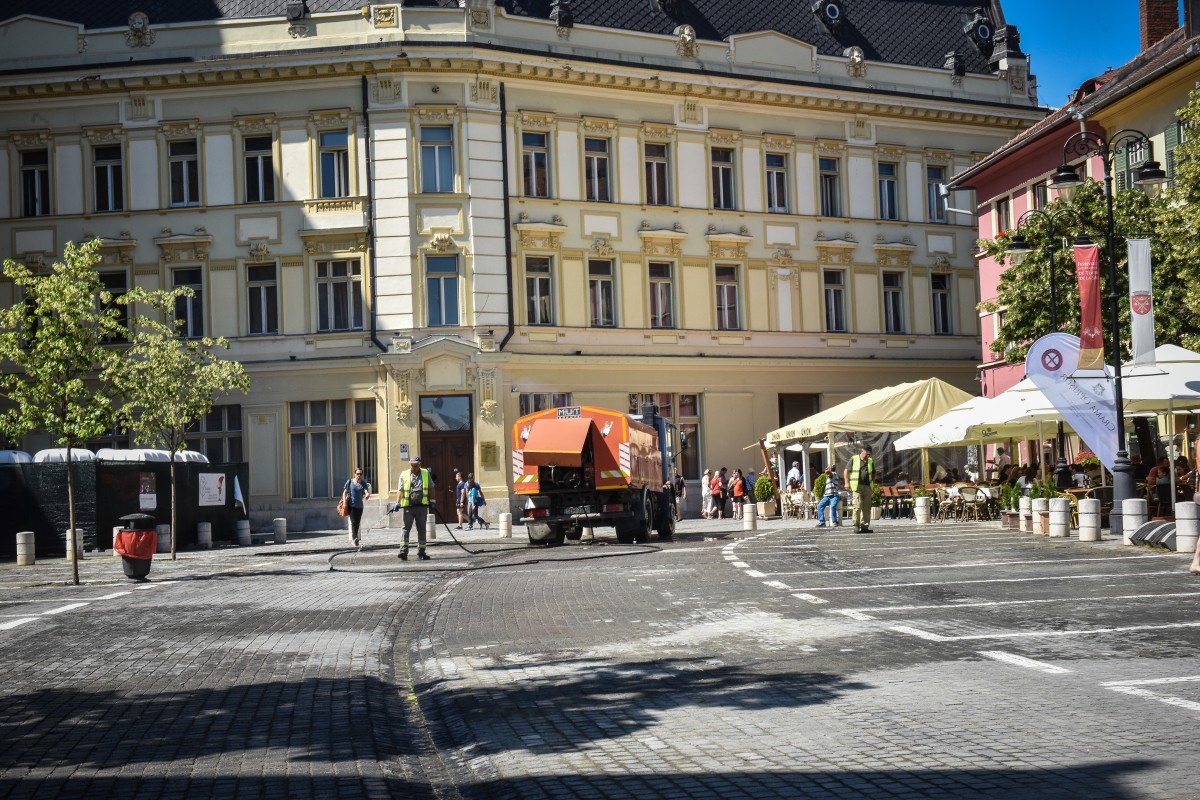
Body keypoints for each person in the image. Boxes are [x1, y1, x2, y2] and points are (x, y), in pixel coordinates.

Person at [397, 455, 433, 561]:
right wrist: (397, 503)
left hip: (421, 507)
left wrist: (433, 501)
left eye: (416, 465)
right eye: (412, 465)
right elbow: (400, 489)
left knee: (421, 529)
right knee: (405, 529)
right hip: (408, 507)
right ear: (410, 464)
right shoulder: (404, 474)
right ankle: (403, 551)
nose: (414, 467)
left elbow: (432, 488)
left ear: (419, 465)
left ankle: (421, 552)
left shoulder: (425, 473)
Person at [844, 446, 875, 533]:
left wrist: (872, 482)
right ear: (862, 451)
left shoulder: (870, 461)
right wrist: (846, 483)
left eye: (869, 453)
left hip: (867, 486)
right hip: (857, 486)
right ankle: (856, 526)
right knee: (857, 506)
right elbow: (846, 471)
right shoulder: (854, 459)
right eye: (867, 453)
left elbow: (873, 473)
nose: (868, 455)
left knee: (867, 507)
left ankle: (865, 526)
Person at [341, 467, 371, 547]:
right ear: (355, 474)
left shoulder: (363, 483)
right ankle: (355, 539)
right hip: (351, 505)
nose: (359, 475)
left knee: (357, 523)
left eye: (361, 474)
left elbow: (366, 492)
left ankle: (355, 538)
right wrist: (344, 503)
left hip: (360, 506)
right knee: (353, 522)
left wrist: (367, 495)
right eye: (357, 474)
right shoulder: (350, 482)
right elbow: (344, 493)